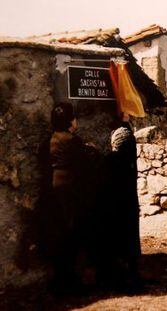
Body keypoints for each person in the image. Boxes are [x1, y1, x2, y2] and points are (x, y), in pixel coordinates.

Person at [47, 102, 95, 292]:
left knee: (59, 234)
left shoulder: (50, 139)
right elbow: (84, 165)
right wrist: (90, 151)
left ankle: (60, 278)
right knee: (71, 234)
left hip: (54, 188)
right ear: (69, 121)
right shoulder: (71, 140)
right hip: (70, 189)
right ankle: (69, 280)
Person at [96, 113, 141, 290]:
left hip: (115, 205)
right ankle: (133, 274)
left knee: (116, 240)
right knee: (130, 239)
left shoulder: (111, 160)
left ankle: (118, 277)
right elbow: (130, 141)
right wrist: (125, 122)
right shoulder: (130, 158)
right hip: (129, 203)